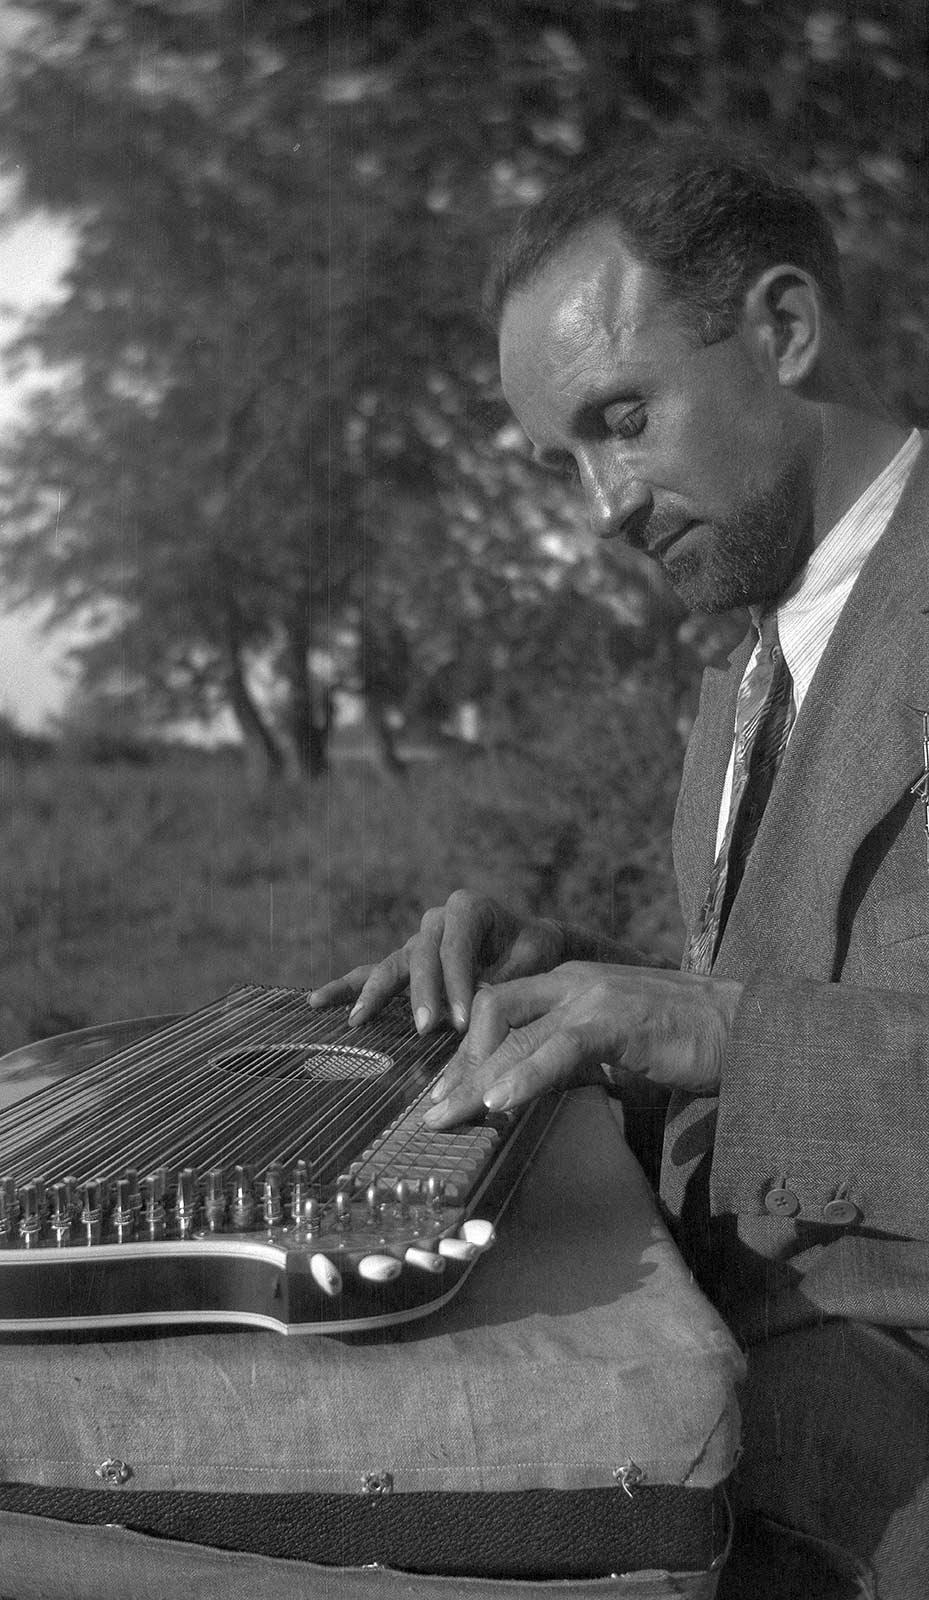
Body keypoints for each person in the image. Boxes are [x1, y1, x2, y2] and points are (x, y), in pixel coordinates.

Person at [310, 140, 929, 1596]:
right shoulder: (742, 664)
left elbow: (750, 1034)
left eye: (623, 418)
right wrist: (573, 974)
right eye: (564, 459)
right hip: (719, 1355)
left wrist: (692, 1023)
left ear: (780, 330)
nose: (600, 505)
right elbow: (806, 999)